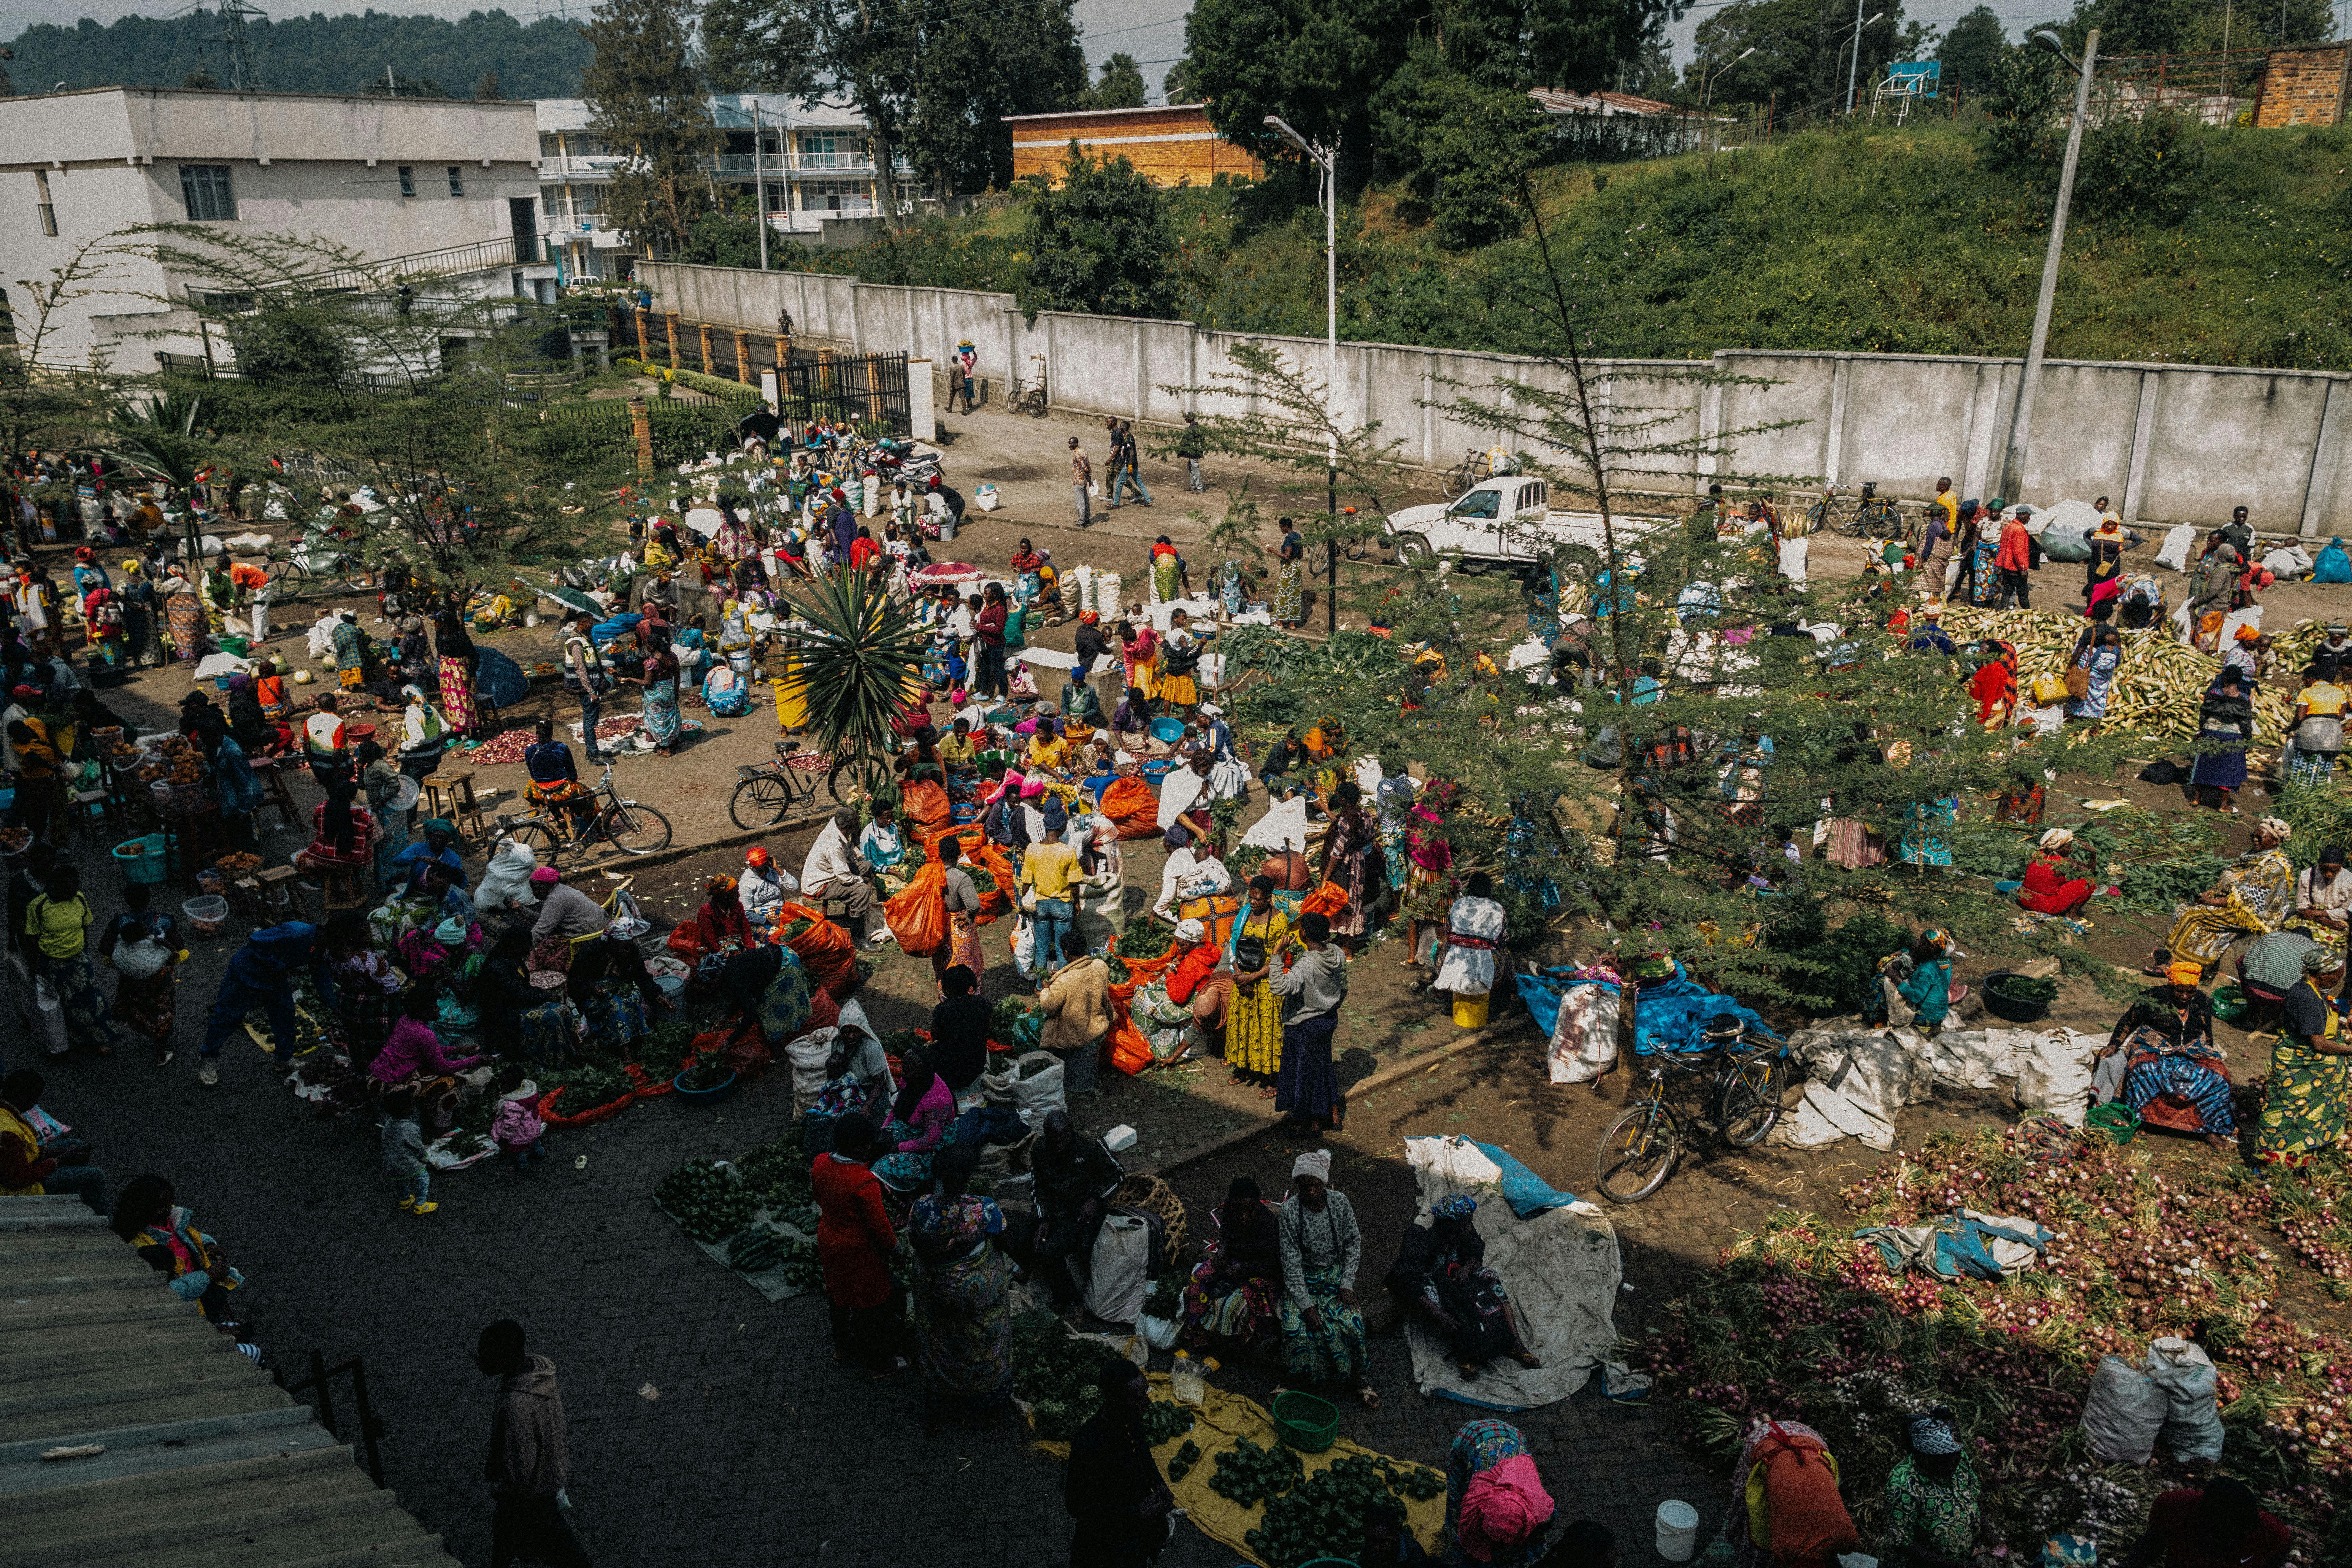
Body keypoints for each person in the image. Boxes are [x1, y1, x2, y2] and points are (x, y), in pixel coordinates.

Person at [909, 1140, 1014, 1435]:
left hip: (935, 1293)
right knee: (986, 1343)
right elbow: (1006, 1241)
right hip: (977, 1294)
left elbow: (916, 1242)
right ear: (969, 1176)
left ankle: (938, 1415)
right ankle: (991, 1410)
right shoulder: (983, 1209)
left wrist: (943, 1250)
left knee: (939, 1346)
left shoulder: (922, 1207)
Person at [1388, 1194, 1543, 1381]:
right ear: (1445, 1225)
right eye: (1462, 1225)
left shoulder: (1464, 1229)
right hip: (1428, 1281)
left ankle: (1516, 1343)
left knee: (1491, 1276)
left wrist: (1466, 1270)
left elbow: (1477, 1253)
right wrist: (1439, 1315)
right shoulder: (1421, 1238)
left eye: (1469, 1223)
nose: (1467, 1228)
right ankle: (1465, 1354)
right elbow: (1407, 1281)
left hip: (1454, 1277)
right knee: (1439, 1300)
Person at [477, 1319, 593, 1568]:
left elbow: (520, 1470)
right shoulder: (540, 1375)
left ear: (506, 1357)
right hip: (544, 1483)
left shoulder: (516, 1405)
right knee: (505, 1545)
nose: (479, 1362)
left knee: (570, 1559)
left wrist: (500, 1487)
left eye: (487, 1356)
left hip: (529, 1501)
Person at [2094, 962, 2233, 1151]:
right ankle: (2141, 1120)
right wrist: (2114, 1044)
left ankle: (2209, 1128)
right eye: (2180, 991)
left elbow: (2207, 1030)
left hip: (2192, 1047)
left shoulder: (2201, 1000)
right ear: (2170, 986)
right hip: (2154, 1044)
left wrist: (2208, 1054)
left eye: (2190, 992)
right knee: (2144, 1070)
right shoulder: (2153, 997)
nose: (2185, 996)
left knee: (2218, 1076)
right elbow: (2128, 1021)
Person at [1276, 1148, 1373, 1405]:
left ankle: (1357, 1377)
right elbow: (1291, 1262)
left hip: (1335, 1275)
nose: (1310, 1192)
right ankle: (1297, 1378)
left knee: (1349, 1321)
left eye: (1315, 1185)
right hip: (1304, 1279)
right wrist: (1306, 1305)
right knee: (1296, 1326)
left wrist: (1347, 1283)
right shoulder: (1289, 1212)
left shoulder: (1340, 1203)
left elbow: (1353, 1242)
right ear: (1297, 1184)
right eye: (1304, 1186)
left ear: (1324, 1183)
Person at [813, 1112, 904, 1376]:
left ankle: (842, 1349)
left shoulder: (820, 1164)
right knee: (870, 1306)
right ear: (856, 1146)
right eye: (866, 1144)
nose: (870, 1148)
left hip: (830, 1243)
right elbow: (880, 1228)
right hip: (860, 1254)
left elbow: (818, 1198)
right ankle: (880, 1365)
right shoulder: (864, 1182)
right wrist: (897, 1252)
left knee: (839, 1296)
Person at [1065, 1361, 1174, 1568]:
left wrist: (1159, 1484)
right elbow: (1076, 1507)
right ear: (1116, 1401)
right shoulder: (1089, 1443)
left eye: (1146, 1393)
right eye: (1140, 1397)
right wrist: (1136, 1513)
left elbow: (1143, 1455)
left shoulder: (1132, 1417)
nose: (1148, 1402)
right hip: (1103, 1546)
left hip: (1134, 1538)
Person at [2256, 945, 2352, 1167]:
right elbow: (2318, 1043)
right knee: (2286, 1110)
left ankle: (2293, 1161)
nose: (2339, 981)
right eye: (2338, 977)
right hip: (2300, 1062)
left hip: (2302, 1055)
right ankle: (2269, 1161)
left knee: (2300, 1112)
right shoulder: (2309, 999)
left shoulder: (2305, 989)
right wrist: (2349, 1050)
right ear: (2323, 975)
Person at [1027, 1108, 1124, 1324]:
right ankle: (1071, 1300)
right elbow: (1038, 1188)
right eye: (1053, 1140)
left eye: (1063, 1139)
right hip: (1061, 1212)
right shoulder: (1040, 1150)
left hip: (1089, 1208)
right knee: (1045, 1248)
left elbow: (1117, 1176)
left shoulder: (1090, 1145)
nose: (1058, 1146)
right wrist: (1045, 1220)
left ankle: (1102, 1294)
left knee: (1094, 1249)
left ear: (1071, 1132)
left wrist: (1095, 1200)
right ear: (1045, 1135)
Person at [110, 1173, 244, 1328]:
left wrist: (209, 1245)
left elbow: (191, 1235)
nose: (169, 1209)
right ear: (144, 1209)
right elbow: (171, 1292)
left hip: (205, 1291)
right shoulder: (143, 1249)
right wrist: (208, 1276)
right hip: (192, 1305)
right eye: (162, 1206)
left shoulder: (171, 1221)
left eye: (170, 1202)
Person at [1726, 1418, 1861, 1568]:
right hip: (1765, 1440)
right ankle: (1737, 1532)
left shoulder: (1848, 1539)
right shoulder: (1784, 1549)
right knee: (1751, 1502)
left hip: (1812, 1442)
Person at [24, 862, 117, 1057]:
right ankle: (71, 1041)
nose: (74, 890)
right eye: (69, 886)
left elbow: (84, 927)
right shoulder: (38, 906)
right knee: (64, 1004)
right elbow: (32, 940)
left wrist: (85, 953)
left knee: (92, 1000)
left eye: (76, 885)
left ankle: (100, 1039)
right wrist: (34, 969)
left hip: (79, 958)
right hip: (52, 963)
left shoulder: (80, 899)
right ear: (56, 886)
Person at [1181, 1174, 1282, 1351]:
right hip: (1234, 1262)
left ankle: (1234, 1347)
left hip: (1261, 1273)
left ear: (1257, 1206)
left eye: (1249, 1211)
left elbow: (1276, 1266)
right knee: (1197, 1282)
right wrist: (1222, 1249)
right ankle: (1201, 1335)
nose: (1243, 1216)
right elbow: (1226, 1234)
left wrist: (1244, 1269)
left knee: (1231, 1306)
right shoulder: (1229, 1210)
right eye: (1239, 1211)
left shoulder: (1269, 1226)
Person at [1273, 911, 1347, 1136]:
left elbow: (1279, 987)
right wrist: (1332, 1006)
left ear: (1304, 933)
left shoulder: (1305, 965)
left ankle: (1309, 1125)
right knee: (1323, 1067)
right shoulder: (1337, 953)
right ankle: (1333, 1116)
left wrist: (1278, 955)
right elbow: (1344, 987)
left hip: (1304, 1027)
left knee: (1303, 1075)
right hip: (1328, 1021)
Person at [1446, 1420, 1556, 1568]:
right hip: (1472, 1436)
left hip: (1513, 1437)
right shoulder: (1473, 1501)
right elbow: (1456, 1492)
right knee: (1455, 1497)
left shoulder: (1541, 1508)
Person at [1880, 1408, 1980, 1568]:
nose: (1954, 1467)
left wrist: (1991, 1537)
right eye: (1945, 1462)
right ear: (1922, 1457)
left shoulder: (1958, 1460)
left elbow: (1974, 1495)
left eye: (1957, 1458)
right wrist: (1954, 1566)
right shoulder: (1904, 1482)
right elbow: (1902, 1541)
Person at [2116, 1478, 2289, 1568]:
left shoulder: (2271, 1533)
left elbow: (2275, 1560)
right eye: (2226, 1537)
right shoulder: (2176, 1508)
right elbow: (2153, 1543)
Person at [0, 1069, 106, 1214]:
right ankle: (103, 1223)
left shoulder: (5, 1112)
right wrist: (58, 1161)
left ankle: (68, 1195)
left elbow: (24, 1151)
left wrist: (59, 1152)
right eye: (33, 1099)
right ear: (21, 1097)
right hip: (20, 1189)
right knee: (95, 1176)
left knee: (75, 1145)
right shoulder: (9, 1133)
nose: (35, 1104)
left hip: (18, 1166)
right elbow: (19, 1178)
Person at [1224, 877, 1292, 1093]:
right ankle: (1243, 1069)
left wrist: (1250, 979)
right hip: (1242, 977)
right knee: (1241, 1024)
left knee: (1268, 1028)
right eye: (1251, 897)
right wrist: (1239, 974)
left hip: (1266, 982)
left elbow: (1277, 958)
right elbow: (1233, 944)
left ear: (1269, 898)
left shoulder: (1280, 921)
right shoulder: (1244, 914)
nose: (1253, 902)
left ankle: (1272, 1079)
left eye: (1258, 899)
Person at [2158, 869, 2270, 981]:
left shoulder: (2274, 866)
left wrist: (2213, 902)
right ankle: (2178, 957)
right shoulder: (2251, 856)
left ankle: (2175, 965)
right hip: (2231, 904)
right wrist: (2210, 894)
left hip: (2249, 913)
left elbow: (2250, 899)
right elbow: (2229, 885)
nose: (2256, 849)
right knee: (2181, 910)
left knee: (2194, 918)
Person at [800, 806, 879, 948]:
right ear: (849, 826)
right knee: (862, 891)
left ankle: (854, 908)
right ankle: (859, 939)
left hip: (830, 872)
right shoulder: (834, 844)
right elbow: (844, 877)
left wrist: (857, 852)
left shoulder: (835, 823)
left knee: (866, 866)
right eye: (856, 823)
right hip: (820, 884)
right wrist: (862, 881)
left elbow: (851, 853)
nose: (859, 824)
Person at [1019, 812, 1083, 985]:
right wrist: (1076, 903)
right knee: (1064, 949)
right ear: (1063, 828)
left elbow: (1026, 880)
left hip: (1040, 906)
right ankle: (1060, 986)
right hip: (1063, 905)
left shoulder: (1032, 849)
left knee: (1042, 948)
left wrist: (1023, 903)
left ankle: (1040, 986)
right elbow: (1075, 883)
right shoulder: (1067, 852)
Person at [1039, 926, 1112, 1068]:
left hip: (1076, 1037)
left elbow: (1049, 1008)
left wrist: (1046, 990)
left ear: (1066, 953)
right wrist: (1061, 974)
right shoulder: (1100, 966)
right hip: (1100, 1026)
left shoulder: (1065, 980)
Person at [2189, 670, 2257, 812]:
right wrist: (2248, 740)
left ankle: (2196, 798)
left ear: (2224, 678)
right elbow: (2246, 722)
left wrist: (2203, 731)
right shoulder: (2244, 699)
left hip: (2211, 733)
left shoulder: (2214, 693)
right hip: (2231, 737)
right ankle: (2224, 806)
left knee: (2205, 764)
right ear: (2240, 681)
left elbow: (2204, 714)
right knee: (2229, 768)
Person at [934, 838, 986, 993]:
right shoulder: (961, 878)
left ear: (940, 855)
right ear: (959, 854)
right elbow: (974, 905)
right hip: (958, 928)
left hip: (939, 926)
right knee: (963, 963)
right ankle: (969, 996)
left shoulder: (933, 874)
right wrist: (969, 917)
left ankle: (947, 995)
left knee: (945, 964)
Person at [2287, 664, 2348, 788]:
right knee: (2323, 774)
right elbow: (2342, 716)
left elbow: (2299, 718)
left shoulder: (2306, 693)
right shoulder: (2339, 692)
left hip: (2310, 736)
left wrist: (2289, 729)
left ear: (2311, 678)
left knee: (2302, 772)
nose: (2304, 683)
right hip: (2333, 737)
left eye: (2304, 679)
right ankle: (2316, 798)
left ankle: (2298, 799)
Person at [382, 1085, 436, 1215]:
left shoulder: (389, 1123)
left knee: (402, 1181)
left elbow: (384, 1139)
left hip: (392, 1164)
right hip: (408, 1164)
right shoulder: (410, 1128)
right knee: (423, 1178)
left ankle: (405, 1201)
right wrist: (425, 1157)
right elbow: (417, 1146)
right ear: (409, 1110)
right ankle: (421, 1205)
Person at [2017, 827, 2094, 916]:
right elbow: (2090, 872)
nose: (2071, 849)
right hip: (2045, 906)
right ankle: (2071, 916)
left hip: (2025, 899)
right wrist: (2093, 853)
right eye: (2068, 847)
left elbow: (2076, 863)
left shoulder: (2038, 855)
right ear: (2058, 848)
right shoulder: (2062, 863)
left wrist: (2077, 864)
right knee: (2090, 882)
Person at [633, 629, 681, 756]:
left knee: (659, 722)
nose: (646, 647)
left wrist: (630, 679)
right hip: (669, 691)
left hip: (656, 695)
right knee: (670, 717)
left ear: (652, 647)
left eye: (647, 645)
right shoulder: (672, 657)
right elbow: (677, 676)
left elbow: (648, 683)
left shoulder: (651, 663)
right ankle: (674, 741)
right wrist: (676, 692)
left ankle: (666, 749)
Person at [740, 844, 797, 927]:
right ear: (752, 867)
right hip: (761, 919)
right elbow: (747, 914)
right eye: (759, 870)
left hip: (781, 912)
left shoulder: (772, 872)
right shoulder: (746, 882)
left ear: (768, 863)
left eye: (764, 869)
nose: (763, 873)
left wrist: (777, 869)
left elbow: (794, 887)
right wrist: (769, 921)